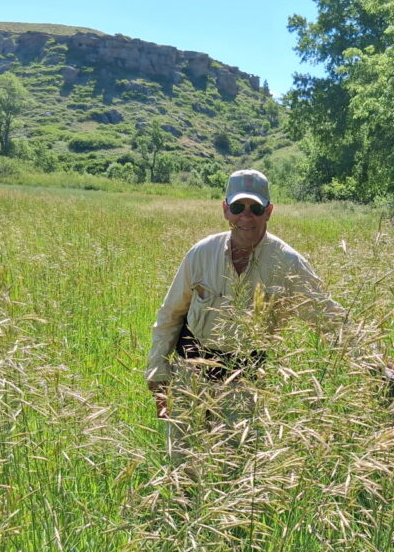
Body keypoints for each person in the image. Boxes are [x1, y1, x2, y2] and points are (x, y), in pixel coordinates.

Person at [145, 169, 346, 453]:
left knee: (237, 466)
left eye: (256, 208)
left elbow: (329, 317)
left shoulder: (288, 263)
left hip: (244, 379)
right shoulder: (201, 253)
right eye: (238, 207)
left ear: (269, 212)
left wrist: (379, 364)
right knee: (183, 463)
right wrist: (158, 374)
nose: (246, 216)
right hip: (189, 373)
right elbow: (170, 314)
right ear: (225, 210)